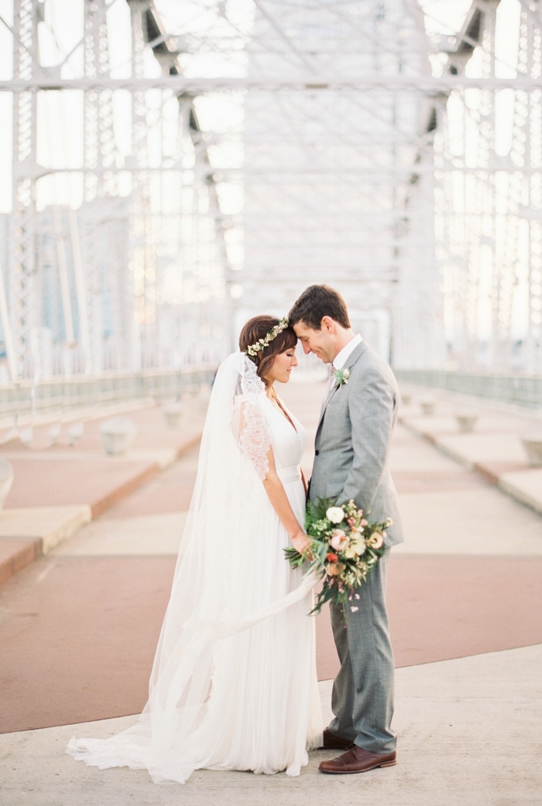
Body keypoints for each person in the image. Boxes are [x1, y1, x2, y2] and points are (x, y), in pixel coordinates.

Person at [67, 315, 322, 784]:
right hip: (272, 524)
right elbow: (266, 475)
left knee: (291, 619)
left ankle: (288, 721)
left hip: (293, 508)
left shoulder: (272, 398)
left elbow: (289, 465)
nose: (296, 360)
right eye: (288, 353)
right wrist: (297, 533)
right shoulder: (247, 408)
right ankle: (257, 735)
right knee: (267, 617)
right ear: (264, 357)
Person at [288, 284, 403, 775]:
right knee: (344, 629)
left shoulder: (369, 373)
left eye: (307, 339)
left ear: (328, 325)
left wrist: (345, 529)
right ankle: (351, 722)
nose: (305, 351)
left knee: (365, 630)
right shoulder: (346, 373)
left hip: (358, 530)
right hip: (342, 528)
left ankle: (376, 740)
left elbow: (370, 460)